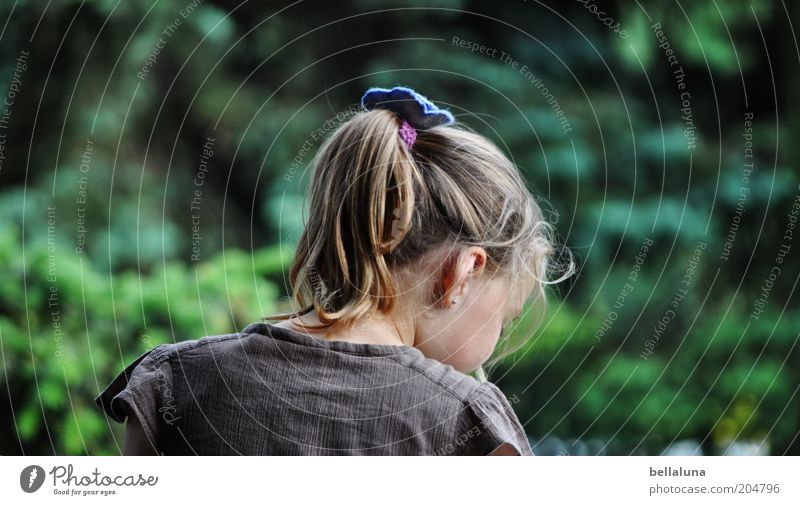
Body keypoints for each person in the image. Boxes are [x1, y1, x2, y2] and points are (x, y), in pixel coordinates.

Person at [96, 86, 572, 455]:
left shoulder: (173, 382)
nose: (500, 336)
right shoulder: (468, 424)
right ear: (463, 274)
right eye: (506, 316)